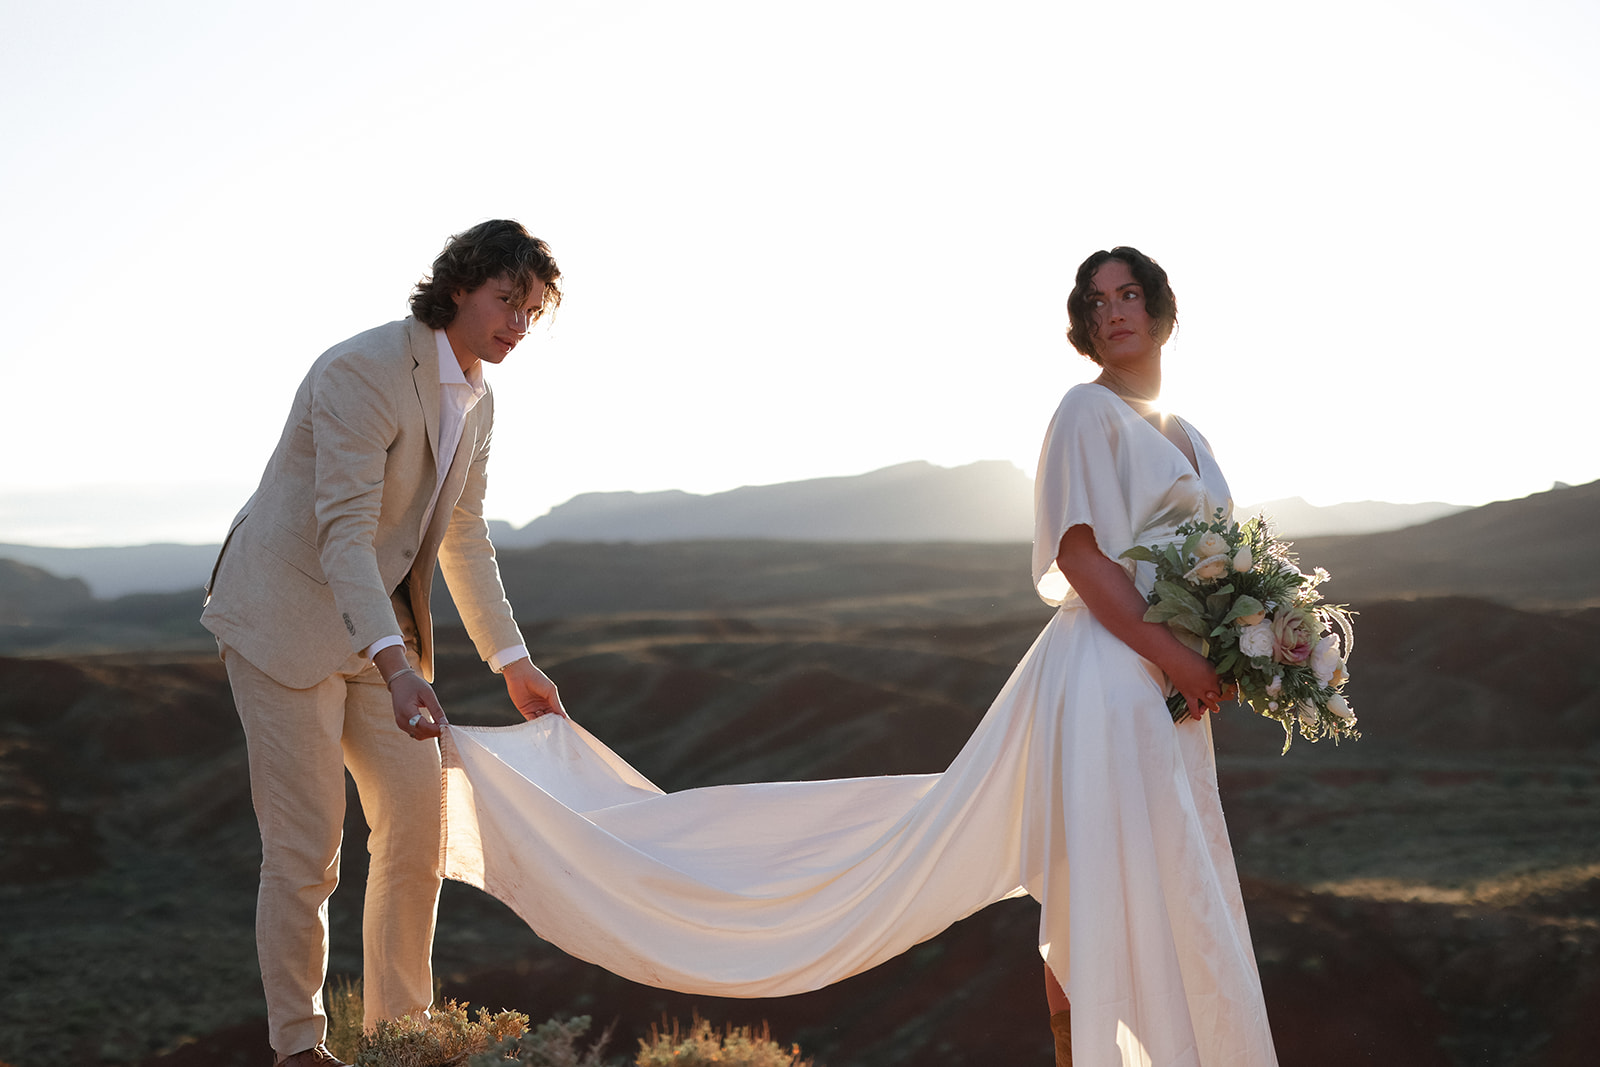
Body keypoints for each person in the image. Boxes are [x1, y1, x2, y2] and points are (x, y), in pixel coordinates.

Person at [432, 246, 1278, 1067]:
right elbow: (1084, 558)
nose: (1113, 311)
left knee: (1158, 875)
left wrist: (1236, 654)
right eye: (1095, 303)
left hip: (1168, 687)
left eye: (1128, 294)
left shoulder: (1191, 436)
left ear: (1162, 310)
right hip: (1107, 675)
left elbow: (1221, 565)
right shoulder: (1082, 411)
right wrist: (1177, 654)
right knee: (1094, 875)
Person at [201, 220, 570, 1067]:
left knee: (417, 822)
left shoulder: (480, 397)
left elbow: (464, 534)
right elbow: (343, 535)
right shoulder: (362, 370)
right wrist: (399, 668)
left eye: (534, 310)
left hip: (376, 625)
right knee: (308, 850)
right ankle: (299, 1047)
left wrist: (512, 662)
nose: (519, 322)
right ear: (458, 288)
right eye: (507, 300)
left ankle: (402, 1039)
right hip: (283, 617)